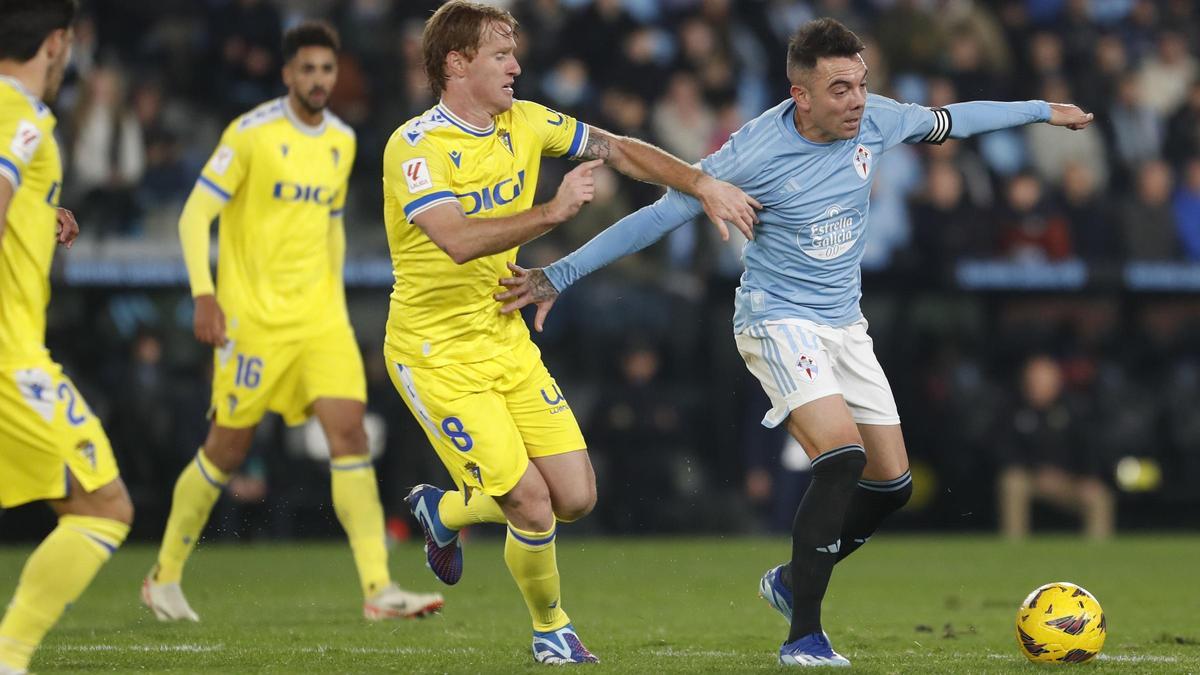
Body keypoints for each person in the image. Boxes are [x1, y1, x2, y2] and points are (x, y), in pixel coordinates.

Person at [495, 17, 1093, 667]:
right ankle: (803, 636)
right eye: (840, 89)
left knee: (891, 485)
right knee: (841, 457)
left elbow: (951, 119)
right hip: (775, 319)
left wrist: (1042, 111)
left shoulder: (878, 120)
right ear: (800, 94)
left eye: (862, 84)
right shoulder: (752, 153)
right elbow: (663, 213)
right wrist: (560, 272)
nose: (857, 100)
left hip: (845, 323)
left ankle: (789, 580)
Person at [384, 1, 758, 665]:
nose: (517, 65)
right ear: (457, 63)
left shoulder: (526, 122)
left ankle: (446, 512)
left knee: (577, 497)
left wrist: (699, 182)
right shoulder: (414, 147)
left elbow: (619, 149)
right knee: (532, 504)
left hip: (505, 340)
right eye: (501, 54)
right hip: (436, 355)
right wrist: (554, 211)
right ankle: (551, 629)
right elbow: (455, 240)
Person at [141, 20, 443, 623]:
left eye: (326, 70)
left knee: (350, 435)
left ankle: (378, 589)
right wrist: (205, 294)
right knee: (225, 451)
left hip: (319, 323)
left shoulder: (342, 140)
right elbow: (194, 215)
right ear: (287, 74)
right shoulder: (250, 135)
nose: (317, 80)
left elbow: (330, 226)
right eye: (306, 69)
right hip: (252, 323)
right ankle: (163, 577)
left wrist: (332, 304)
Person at [0, 2, 132, 674]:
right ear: (56, 43)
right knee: (102, 507)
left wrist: (36, 209)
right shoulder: (21, 115)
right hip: (9, 359)